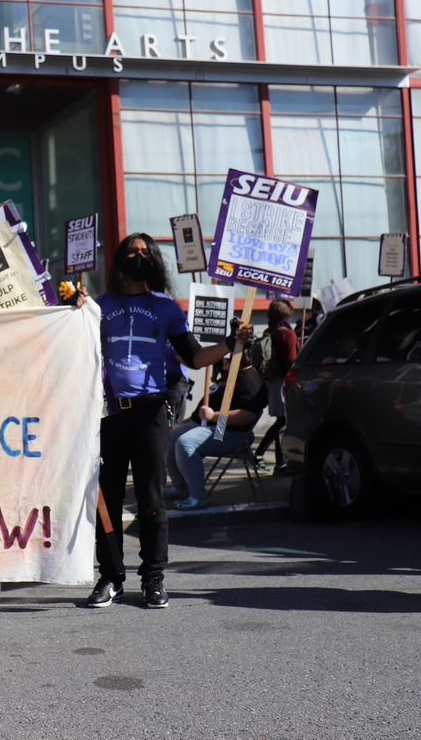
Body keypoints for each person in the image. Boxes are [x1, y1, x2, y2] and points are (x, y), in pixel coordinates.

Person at [89, 233, 251, 610]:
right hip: (108, 414)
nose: (138, 256)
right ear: (119, 259)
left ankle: (153, 578)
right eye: (131, 250)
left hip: (150, 413)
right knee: (107, 500)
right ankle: (110, 577)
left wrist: (230, 343)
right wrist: (71, 307)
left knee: (151, 499)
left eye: (145, 252)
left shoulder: (166, 309)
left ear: (155, 262)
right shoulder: (99, 308)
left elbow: (194, 358)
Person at [166, 354, 269, 509]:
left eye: (227, 358)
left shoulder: (251, 381)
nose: (222, 361)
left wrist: (213, 416)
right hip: (211, 425)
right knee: (171, 437)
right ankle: (181, 488)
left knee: (186, 442)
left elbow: (247, 416)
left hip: (229, 432)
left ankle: (197, 497)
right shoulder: (232, 374)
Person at [255, 298, 301, 472]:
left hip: (273, 382)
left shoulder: (270, 331)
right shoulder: (287, 333)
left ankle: (280, 462)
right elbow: (291, 361)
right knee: (283, 421)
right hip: (284, 382)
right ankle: (260, 453)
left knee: (281, 420)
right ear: (285, 314)